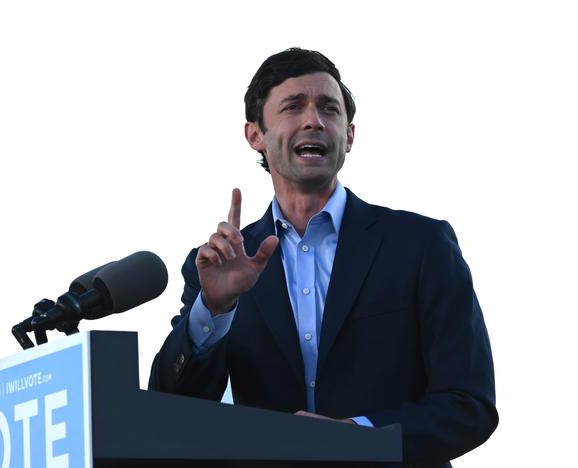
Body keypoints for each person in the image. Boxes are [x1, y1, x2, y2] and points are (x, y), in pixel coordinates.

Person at [149, 48, 497, 467]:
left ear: (348, 135)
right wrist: (214, 310)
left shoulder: (421, 245)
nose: (313, 119)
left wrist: (359, 436)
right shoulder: (218, 266)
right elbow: (170, 411)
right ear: (255, 135)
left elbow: (469, 405)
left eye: (328, 109)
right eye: (293, 107)